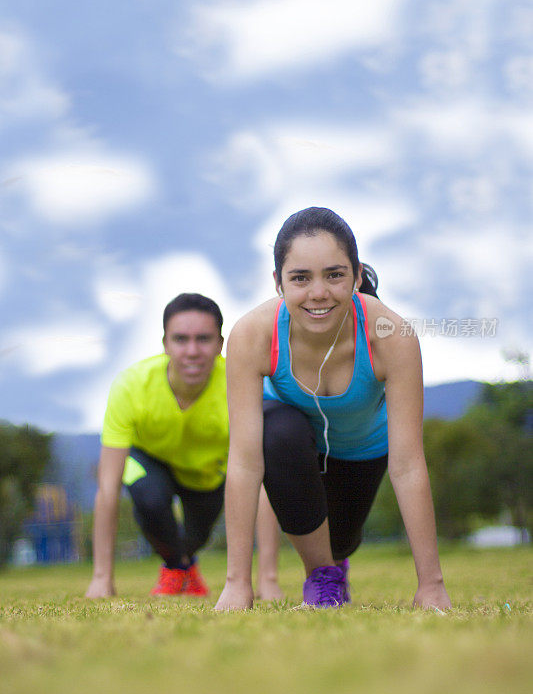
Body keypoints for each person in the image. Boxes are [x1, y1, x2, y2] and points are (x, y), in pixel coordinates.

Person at [215, 207, 452, 611]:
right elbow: (244, 461)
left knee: (339, 542)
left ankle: (333, 561)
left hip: (362, 450)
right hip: (292, 446)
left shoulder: (391, 335)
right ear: (278, 283)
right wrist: (238, 584)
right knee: (278, 432)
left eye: (334, 274)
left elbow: (408, 463)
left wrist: (431, 585)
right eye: (300, 278)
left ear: (357, 276)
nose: (318, 292)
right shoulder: (252, 334)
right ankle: (323, 580)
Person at [85, 293, 282, 600]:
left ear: (220, 344)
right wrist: (101, 578)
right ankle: (176, 570)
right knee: (147, 496)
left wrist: (268, 580)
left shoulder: (240, 385)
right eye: (181, 339)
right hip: (150, 460)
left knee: (193, 540)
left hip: (207, 475)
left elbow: (263, 485)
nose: (192, 351)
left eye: (203, 339)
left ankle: (184, 564)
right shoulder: (130, 386)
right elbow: (107, 487)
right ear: (165, 343)